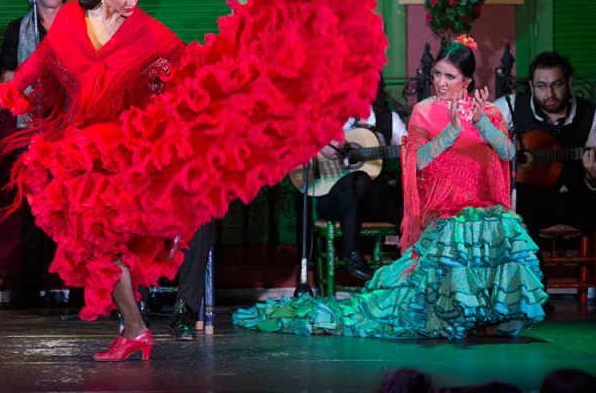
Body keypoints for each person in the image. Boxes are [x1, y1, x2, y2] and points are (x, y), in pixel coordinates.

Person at [0, 0, 389, 360]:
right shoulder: (70, 19)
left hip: (126, 149)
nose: (132, 2)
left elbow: (194, 74)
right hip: (79, 151)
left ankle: (137, 326)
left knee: (109, 243)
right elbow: (41, 62)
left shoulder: (148, 33)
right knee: (93, 245)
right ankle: (135, 328)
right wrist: (3, 99)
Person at [233, 35, 548, 338]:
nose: (440, 82)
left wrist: (480, 123)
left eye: (449, 76)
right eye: (437, 74)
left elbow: (508, 153)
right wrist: (450, 133)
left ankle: (500, 312)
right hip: (445, 207)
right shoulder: (424, 111)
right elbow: (419, 161)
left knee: (504, 228)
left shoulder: (488, 111)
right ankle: (454, 311)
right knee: (454, 234)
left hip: (481, 204)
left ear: (466, 80)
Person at [0, 0, 73, 306]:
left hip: (71, 127)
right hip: (31, 130)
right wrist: (30, 75)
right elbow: (3, 77)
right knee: (33, 209)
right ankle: (33, 289)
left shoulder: (81, 26)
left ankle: (75, 286)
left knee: (71, 207)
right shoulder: (17, 29)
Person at [313, 77, 407, 280]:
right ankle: (352, 253)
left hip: (371, 200)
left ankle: (409, 258)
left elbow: (409, 149)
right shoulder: (330, 118)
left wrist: (415, 153)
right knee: (354, 180)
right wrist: (320, 147)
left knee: (394, 187)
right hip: (335, 199)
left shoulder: (388, 119)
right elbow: (300, 153)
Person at [498, 51, 596, 243]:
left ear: (569, 82)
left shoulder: (590, 115)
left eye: (557, 85)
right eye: (541, 86)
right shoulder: (511, 105)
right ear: (531, 86)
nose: (549, 94)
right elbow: (476, 135)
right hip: (526, 206)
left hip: (575, 203)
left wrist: (593, 177)